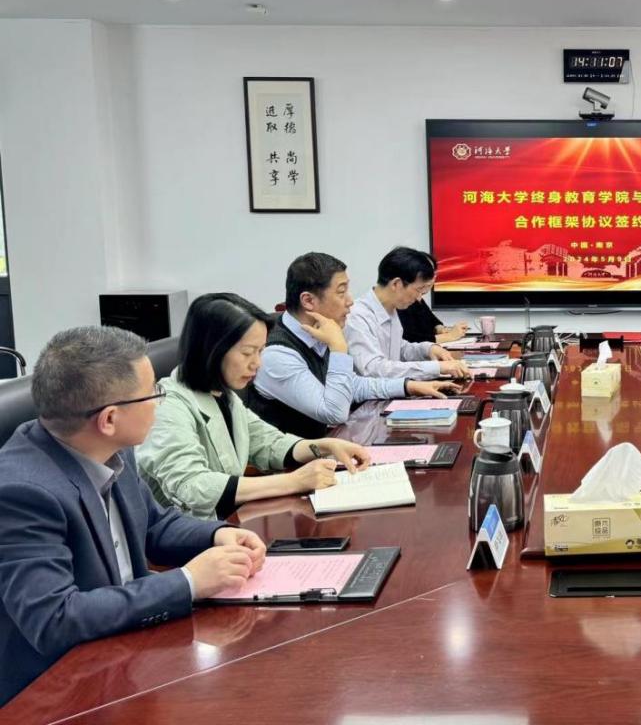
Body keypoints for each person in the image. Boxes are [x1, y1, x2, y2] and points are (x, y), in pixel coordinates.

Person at [0, 326, 266, 704]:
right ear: (109, 419)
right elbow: (56, 618)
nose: (160, 402)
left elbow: (153, 524)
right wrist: (188, 582)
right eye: (153, 393)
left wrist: (216, 535)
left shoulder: (110, 446)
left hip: (127, 656)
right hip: (58, 692)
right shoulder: (22, 492)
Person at [138, 293, 373, 520]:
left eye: (260, 351)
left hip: (228, 525)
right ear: (212, 350)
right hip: (186, 538)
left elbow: (268, 443)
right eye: (248, 353)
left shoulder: (222, 394)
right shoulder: (167, 405)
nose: (257, 364)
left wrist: (325, 446)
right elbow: (192, 485)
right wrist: (293, 482)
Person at [249, 252, 458, 439]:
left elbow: (354, 385)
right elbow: (334, 413)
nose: (350, 301)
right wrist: (338, 348)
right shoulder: (277, 355)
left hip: (331, 447)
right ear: (308, 301)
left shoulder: (317, 333)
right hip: (298, 464)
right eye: (341, 292)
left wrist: (409, 386)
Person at [345, 247, 473, 381]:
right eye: (419, 289)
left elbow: (400, 349)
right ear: (396, 284)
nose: (419, 297)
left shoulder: (390, 309)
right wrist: (437, 368)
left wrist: (428, 349)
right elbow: (374, 369)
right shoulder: (357, 316)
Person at [398, 295, 470, 345]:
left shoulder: (417, 298)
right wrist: (449, 336)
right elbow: (410, 338)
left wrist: (441, 329)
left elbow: (432, 320)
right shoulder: (401, 303)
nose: (419, 296)